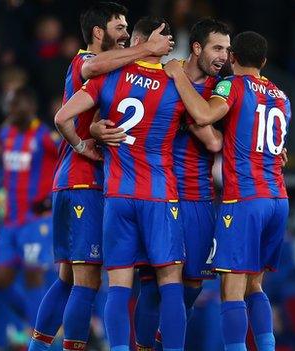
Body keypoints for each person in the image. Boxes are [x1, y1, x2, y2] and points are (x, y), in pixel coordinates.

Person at [28, 2, 174, 350]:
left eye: (127, 28)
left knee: (67, 279)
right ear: (98, 32)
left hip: (71, 182)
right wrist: (81, 143)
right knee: (87, 282)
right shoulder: (85, 62)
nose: (125, 35)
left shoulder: (110, 73)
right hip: (84, 182)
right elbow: (89, 75)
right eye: (119, 27)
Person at [90, 18, 229, 350]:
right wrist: (95, 130)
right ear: (197, 48)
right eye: (218, 48)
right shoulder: (160, 75)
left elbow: (220, 139)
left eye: (228, 49)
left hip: (197, 196)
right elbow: (107, 111)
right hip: (161, 194)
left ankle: (165, 337)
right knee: (155, 284)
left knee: (192, 285)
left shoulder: (220, 88)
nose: (224, 56)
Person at [164, 30, 291, 351]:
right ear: (263, 61)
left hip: (245, 200)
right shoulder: (281, 95)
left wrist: (178, 76)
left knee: (231, 289)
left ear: (233, 58)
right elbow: (277, 147)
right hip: (278, 198)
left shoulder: (232, 85)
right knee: (255, 285)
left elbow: (205, 114)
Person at [0, 87, 59, 333]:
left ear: (30, 108)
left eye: (18, 105)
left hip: (35, 221)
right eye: (11, 105)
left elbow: (64, 159)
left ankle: (38, 336)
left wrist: (51, 197)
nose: (13, 110)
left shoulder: (45, 136)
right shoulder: (4, 134)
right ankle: (42, 325)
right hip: (10, 221)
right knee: (1, 281)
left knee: (33, 276)